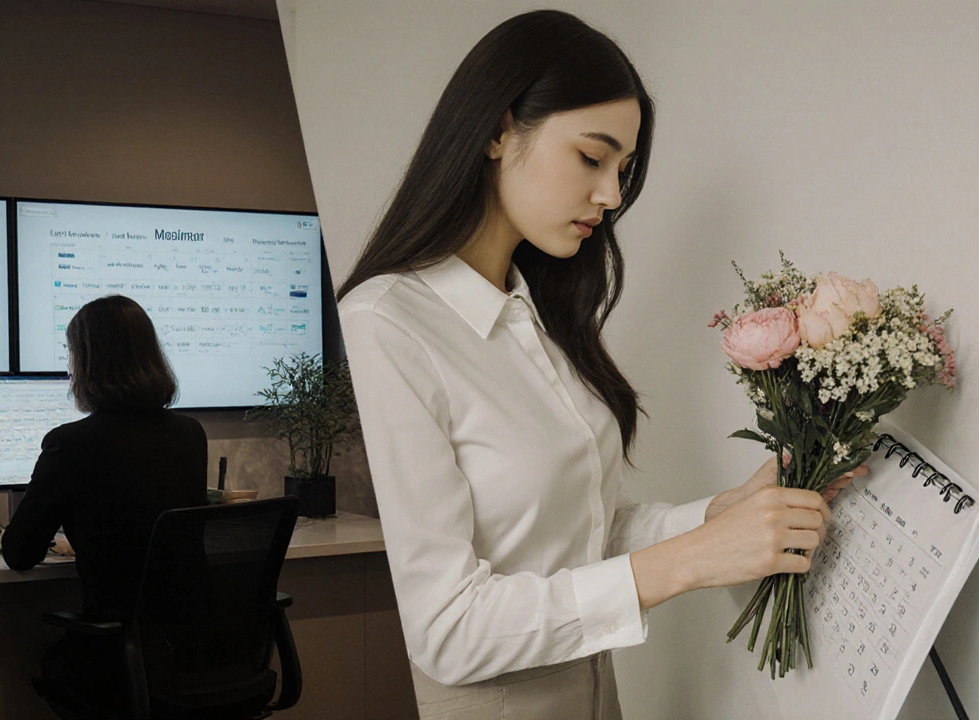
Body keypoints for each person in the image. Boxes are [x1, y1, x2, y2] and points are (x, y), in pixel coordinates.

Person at [336, 10, 862, 719]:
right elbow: (445, 630)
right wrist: (696, 559)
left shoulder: (538, 312)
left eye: (624, 169)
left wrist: (722, 516)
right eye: (592, 157)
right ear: (497, 131)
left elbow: (580, 535)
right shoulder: (387, 322)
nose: (612, 196)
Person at [3, 294, 208, 710]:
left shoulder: (71, 444)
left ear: (88, 361)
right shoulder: (189, 434)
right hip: (197, 654)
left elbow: (20, 553)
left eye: (71, 353)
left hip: (119, 658)